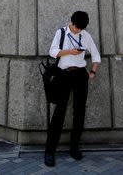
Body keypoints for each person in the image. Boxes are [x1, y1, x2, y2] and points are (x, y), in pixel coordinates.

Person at [43, 11, 101, 168]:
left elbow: (96, 56)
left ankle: (74, 148)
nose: (77, 31)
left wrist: (92, 72)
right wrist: (70, 51)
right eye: (76, 28)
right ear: (72, 23)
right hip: (64, 74)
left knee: (79, 111)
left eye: (80, 29)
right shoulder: (61, 32)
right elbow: (52, 51)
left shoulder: (85, 35)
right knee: (59, 113)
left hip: (81, 75)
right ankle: (50, 151)